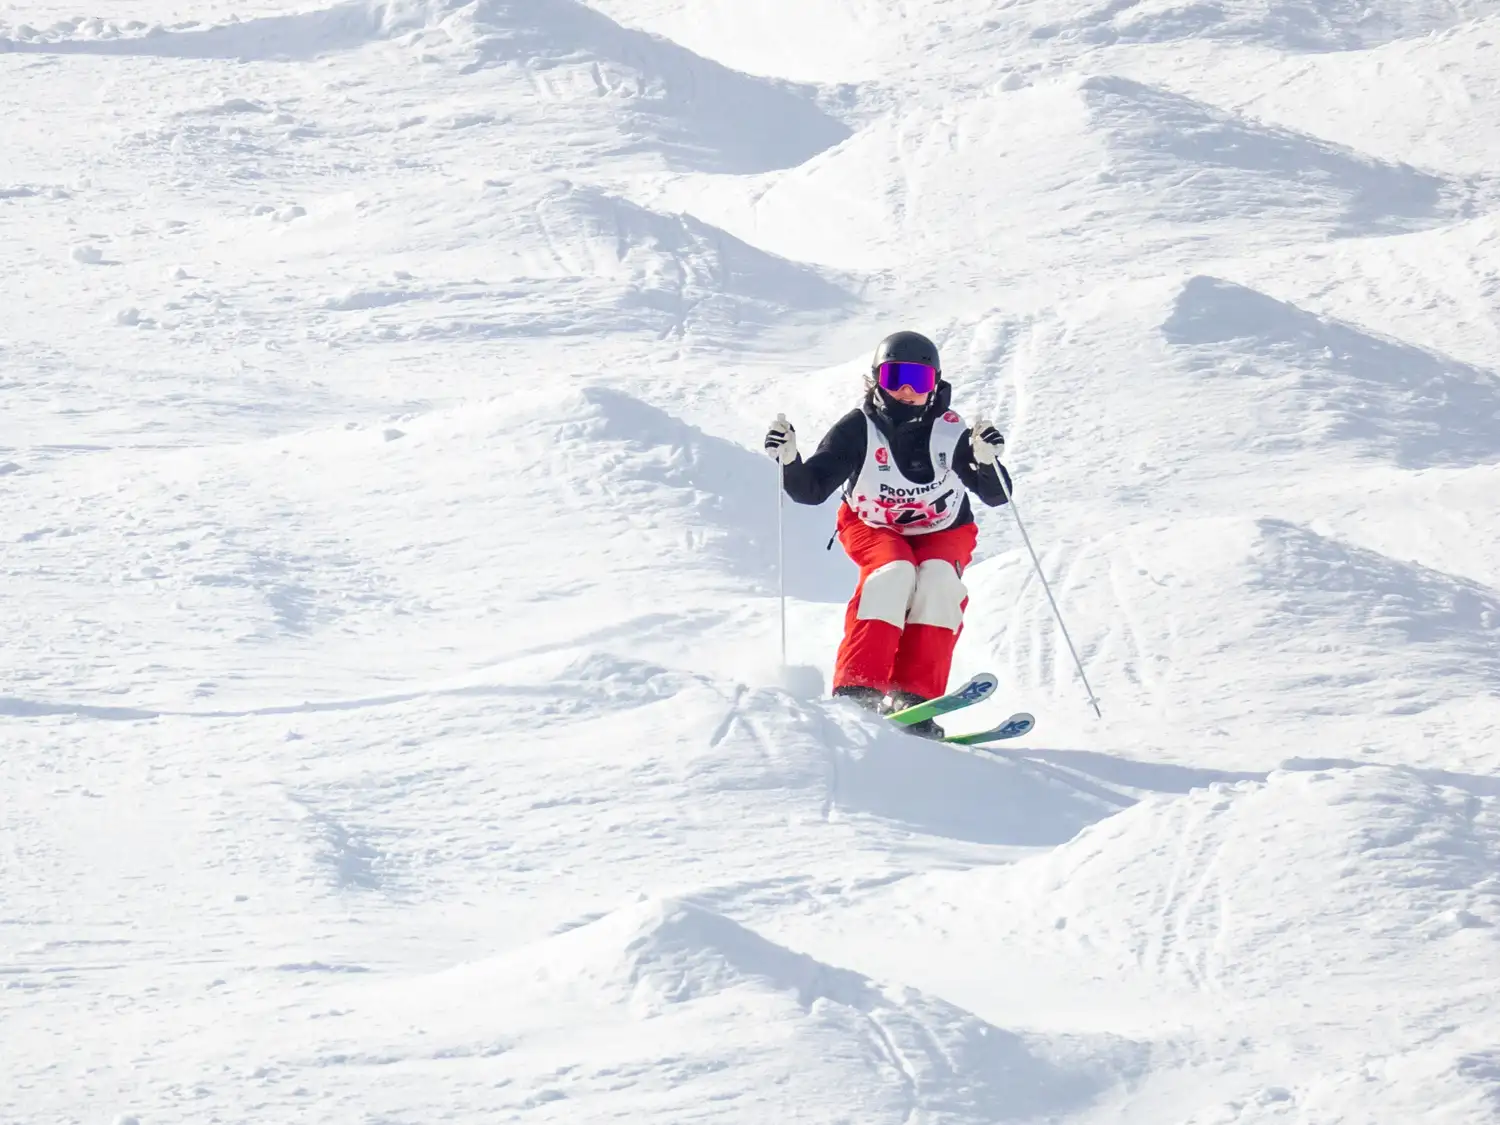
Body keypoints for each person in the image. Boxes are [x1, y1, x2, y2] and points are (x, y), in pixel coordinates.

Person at [765, 331, 1012, 738]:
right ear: (877, 379)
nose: (907, 391)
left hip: (943, 528)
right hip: (872, 525)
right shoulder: (857, 429)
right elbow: (810, 491)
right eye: (896, 377)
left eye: (920, 380)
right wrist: (790, 461)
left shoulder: (951, 431)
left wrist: (987, 463)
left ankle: (913, 698)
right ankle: (858, 688)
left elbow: (997, 496)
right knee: (893, 574)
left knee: (939, 584)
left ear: (935, 384)